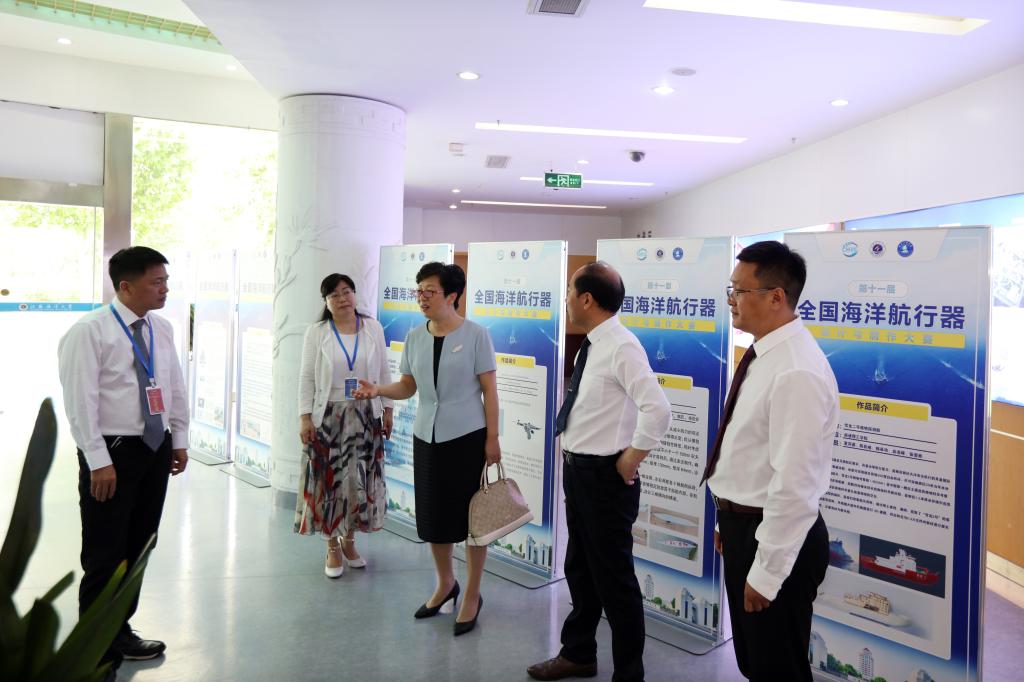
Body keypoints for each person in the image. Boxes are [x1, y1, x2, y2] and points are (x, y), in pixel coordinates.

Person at [528, 261, 670, 682]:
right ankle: (578, 654)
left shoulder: (621, 346)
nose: (566, 298)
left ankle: (629, 673)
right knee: (581, 569)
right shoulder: (592, 344)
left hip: (605, 479)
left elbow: (658, 409)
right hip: (580, 474)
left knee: (614, 581)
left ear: (587, 299)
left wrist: (630, 458)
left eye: (570, 290)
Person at [703, 241, 838, 681]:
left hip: (775, 537)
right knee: (756, 661)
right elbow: (749, 450)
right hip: (747, 527)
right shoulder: (766, 354)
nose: (731, 300)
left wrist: (767, 571)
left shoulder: (796, 369)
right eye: (731, 289)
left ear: (777, 297)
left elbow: (795, 483)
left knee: (777, 668)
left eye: (739, 291)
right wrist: (728, 519)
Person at [57, 246, 189, 678]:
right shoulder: (89, 331)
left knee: (140, 544)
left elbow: (173, 385)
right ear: (126, 286)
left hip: (154, 448)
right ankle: (92, 647)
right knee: (105, 550)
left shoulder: (161, 328)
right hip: (113, 452)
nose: (165, 289)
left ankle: (119, 629)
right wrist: (98, 460)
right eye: (157, 282)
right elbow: (80, 402)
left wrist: (178, 439)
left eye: (166, 281)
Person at [353, 261, 500, 636]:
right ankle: (446, 583)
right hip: (427, 437)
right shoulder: (416, 336)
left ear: (452, 296)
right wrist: (377, 390)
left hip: (467, 438)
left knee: (472, 520)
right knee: (434, 518)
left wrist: (493, 439)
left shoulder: (477, 335)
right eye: (418, 290)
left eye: (429, 291)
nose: (422, 297)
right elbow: (408, 386)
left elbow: (490, 391)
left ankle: (472, 593)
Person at [294, 273, 393, 577]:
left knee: (358, 482)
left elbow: (384, 371)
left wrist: (388, 409)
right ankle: (332, 546)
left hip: (365, 415)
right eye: (334, 294)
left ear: (355, 295)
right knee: (331, 482)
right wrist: (305, 417)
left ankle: (349, 541)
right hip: (329, 418)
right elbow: (306, 377)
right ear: (326, 301)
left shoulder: (373, 328)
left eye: (347, 291)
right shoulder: (317, 332)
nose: (342, 298)